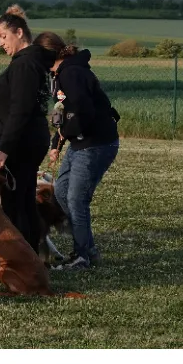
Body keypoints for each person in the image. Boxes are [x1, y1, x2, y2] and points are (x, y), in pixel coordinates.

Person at [43, 34, 121, 270]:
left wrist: (66, 131)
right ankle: (89, 249)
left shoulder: (71, 73)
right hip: (81, 142)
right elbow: (65, 112)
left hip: (96, 143)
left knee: (76, 199)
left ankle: (82, 256)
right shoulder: (62, 73)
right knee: (62, 192)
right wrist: (58, 141)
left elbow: (80, 111)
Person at [0, 5, 55, 255]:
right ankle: (28, 255)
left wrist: (4, 149)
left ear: (18, 32)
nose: (0, 43)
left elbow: (21, 110)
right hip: (26, 141)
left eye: (3, 37)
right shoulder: (29, 62)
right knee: (23, 200)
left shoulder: (25, 65)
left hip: (21, 144)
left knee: (17, 204)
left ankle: (21, 258)